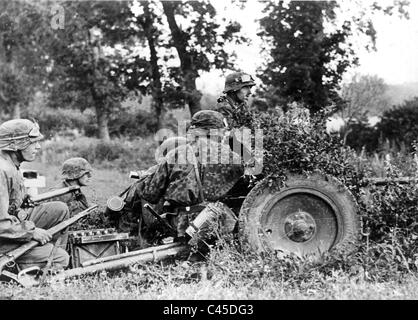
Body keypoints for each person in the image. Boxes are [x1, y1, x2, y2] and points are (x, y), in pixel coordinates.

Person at [108, 110, 247, 248]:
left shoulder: (177, 154)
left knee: (139, 192)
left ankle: (132, 241)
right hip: (216, 222)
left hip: (181, 224)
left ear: (197, 130)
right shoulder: (234, 158)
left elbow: (151, 193)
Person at [0, 119, 70, 270]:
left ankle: (42, 252)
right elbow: (1, 224)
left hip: (11, 225)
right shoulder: (2, 170)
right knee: (61, 258)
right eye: (33, 142)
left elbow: (10, 206)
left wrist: (21, 205)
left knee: (60, 209)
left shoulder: (12, 164)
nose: (38, 147)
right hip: (2, 239)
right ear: (16, 144)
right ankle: (15, 263)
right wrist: (31, 232)